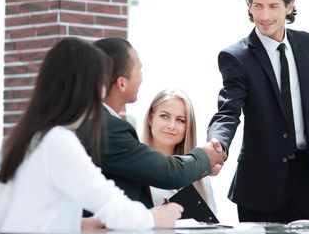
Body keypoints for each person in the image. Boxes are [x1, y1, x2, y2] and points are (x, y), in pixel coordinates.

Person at [0, 37, 183, 234]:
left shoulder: (26, 138)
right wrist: (153, 218)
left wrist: (80, 225)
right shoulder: (58, 142)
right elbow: (110, 203)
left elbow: (25, 216)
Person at [207, 0, 309, 223]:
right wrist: (217, 143)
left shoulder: (307, 44)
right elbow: (228, 110)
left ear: (289, 6)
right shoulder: (236, 57)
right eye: (257, 6)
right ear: (249, 8)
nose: (264, 15)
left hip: (307, 177)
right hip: (260, 183)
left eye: (273, 6)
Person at [78, 37, 225, 210]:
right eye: (139, 71)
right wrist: (206, 156)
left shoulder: (88, 119)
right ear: (122, 83)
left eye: (180, 120)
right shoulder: (107, 127)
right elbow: (169, 173)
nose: (141, 79)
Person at [142, 89, 217, 213]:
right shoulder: (135, 167)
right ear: (150, 119)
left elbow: (213, 224)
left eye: (180, 120)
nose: (171, 126)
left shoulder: (200, 174)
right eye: (164, 116)